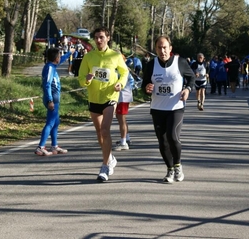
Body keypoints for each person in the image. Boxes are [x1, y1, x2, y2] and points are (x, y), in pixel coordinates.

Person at [141, 35, 195, 183]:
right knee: (162, 142)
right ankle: (170, 169)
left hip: (175, 107)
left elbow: (192, 78)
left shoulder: (180, 62)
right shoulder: (151, 65)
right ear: (156, 49)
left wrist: (188, 89)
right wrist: (147, 88)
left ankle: (178, 165)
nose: (162, 50)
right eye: (159, 47)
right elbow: (144, 84)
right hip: (157, 108)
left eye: (164, 47)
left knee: (172, 136)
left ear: (170, 49)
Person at [78, 27, 129, 182]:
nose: (98, 40)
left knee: (105, 130)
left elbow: (124, 72)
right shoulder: (89, 57)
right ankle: (110, 157)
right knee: (100, 133)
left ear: (108, 38)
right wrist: (87, 79)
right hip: (94, 98)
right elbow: (81, 78)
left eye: (101, 37)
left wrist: (120, 83)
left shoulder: (115, 55)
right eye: (96, 38)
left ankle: (105, 166)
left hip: (110, 96)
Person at [35, 47, 75, 156]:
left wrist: (69, 53)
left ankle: (54, 146)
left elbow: (62, 60)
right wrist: (49, 100)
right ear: (55, 58)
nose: (60, 58)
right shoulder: (49, 68)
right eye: (59, 56)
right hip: (51, 98)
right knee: (50, 123)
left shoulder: (52, 65)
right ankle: (41, 147)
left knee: (56, 123)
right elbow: (47, 85)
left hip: (55, 99)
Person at [114, 66, 135, 151]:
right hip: (123, 96)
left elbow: (131, 81)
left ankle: (123, 143)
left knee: (121, 119)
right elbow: (132, 81)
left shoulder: (120, 69)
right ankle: (126, 138)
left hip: (122, 97)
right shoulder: (122, 68)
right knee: (121, 119)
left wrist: (126, 89)